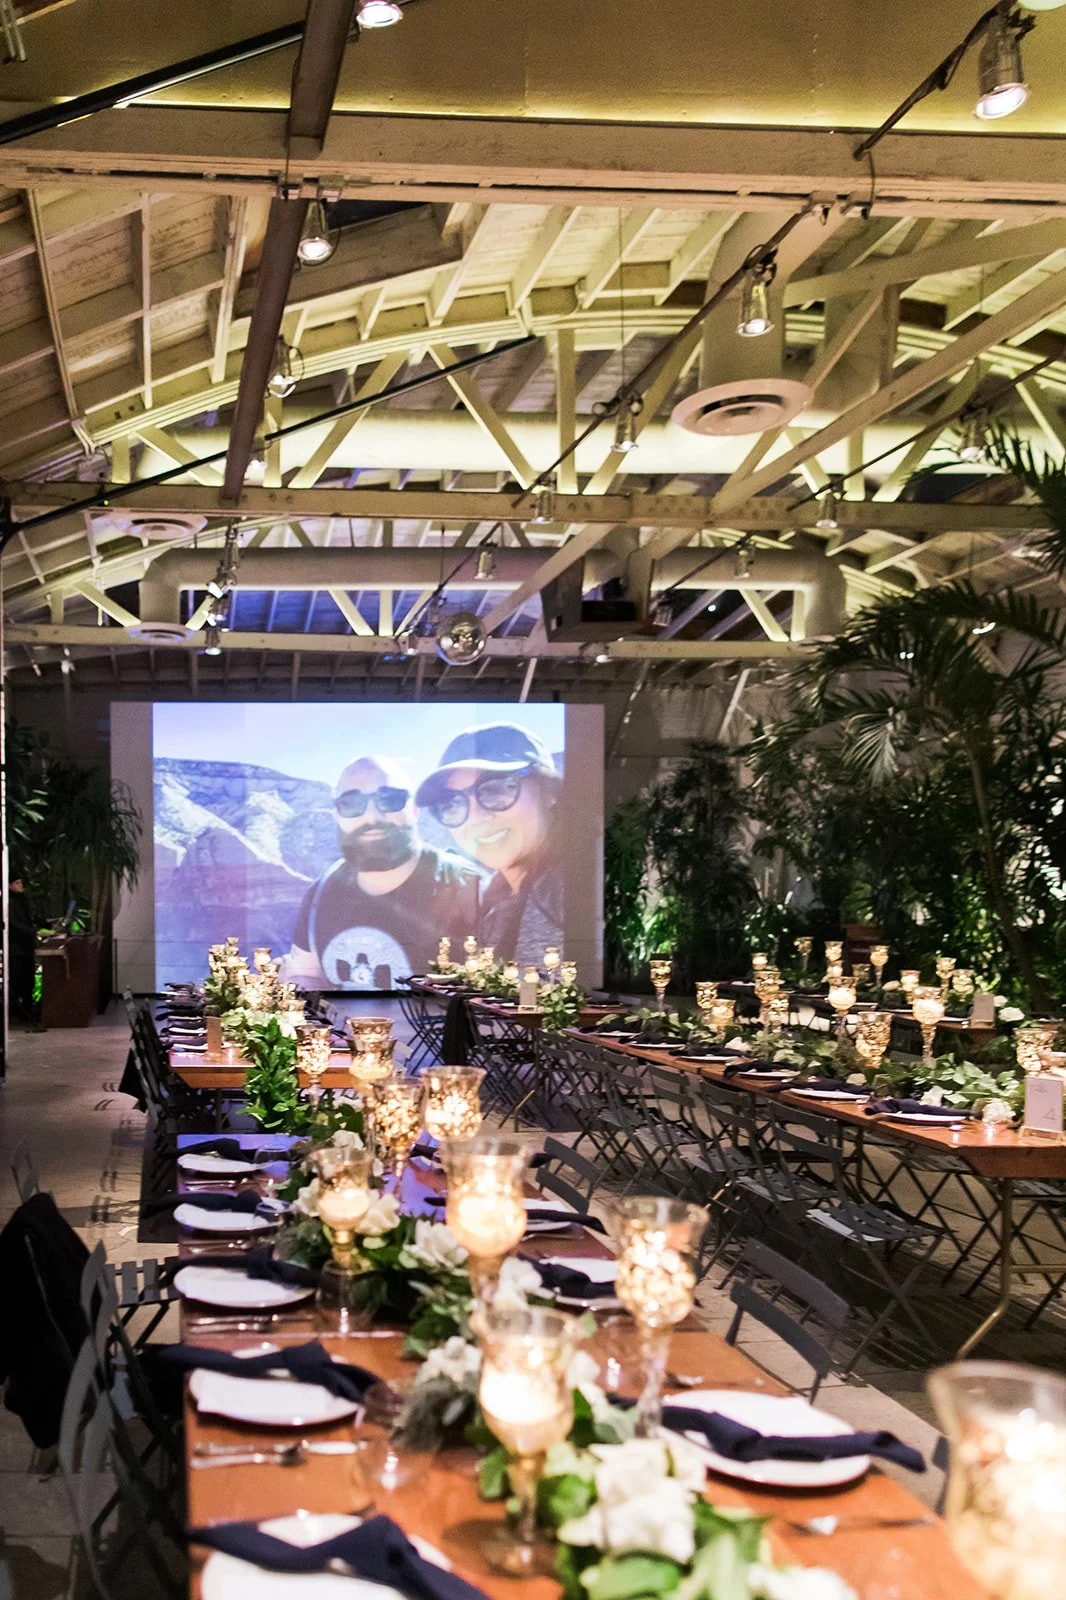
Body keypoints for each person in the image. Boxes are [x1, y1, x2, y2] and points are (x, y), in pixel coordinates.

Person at [282, 756, 481, 989]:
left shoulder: (470, 888)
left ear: (414, 809)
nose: (372, 816)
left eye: (389, 799)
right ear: (337, 815)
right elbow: (306, 977)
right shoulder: (320, 895)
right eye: (352, 803)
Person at [415, 724, 564, 968]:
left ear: (549, 790)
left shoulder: (570, 889)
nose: (475, 817)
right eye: (451, 803)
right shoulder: (495, 900)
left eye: (496, 789)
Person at [8, 877, 41, 1028]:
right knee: (17, 981)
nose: (21, 885)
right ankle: (17, 1013)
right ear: (9, 885)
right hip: (16, 948)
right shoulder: (10, 902)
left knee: (28, 981)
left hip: (26, 948)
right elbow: (13, 924)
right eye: (17, 883)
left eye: (21, 882)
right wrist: (32, 931)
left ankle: (27, 1010)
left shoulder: (22, 900)